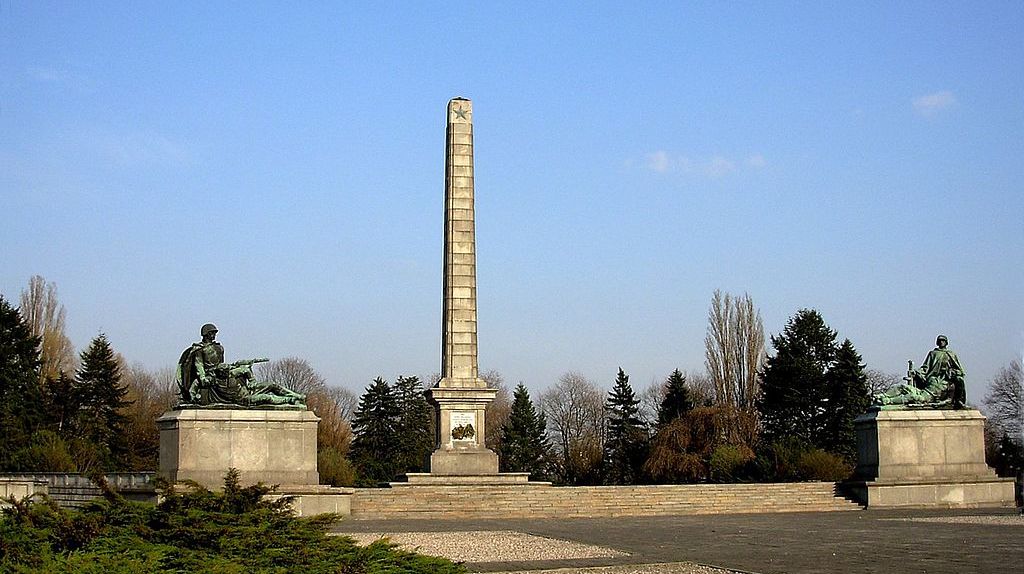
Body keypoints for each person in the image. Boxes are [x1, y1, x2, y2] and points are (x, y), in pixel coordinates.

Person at [176, 323, 305, 407]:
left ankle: (296, 396)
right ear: (206, 334)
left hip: (223, 374)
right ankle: (290, 400)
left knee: (269, 384)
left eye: (215, 333)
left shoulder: (219, 348)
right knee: (267, 396)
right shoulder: (199, 349)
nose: (214, 335)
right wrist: (203, 378)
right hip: (212, 376)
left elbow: (223, 364)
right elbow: (199, 366)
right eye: (212, 333)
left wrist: (236, 369)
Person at [875, 335, 966, 408]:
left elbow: (959, 371)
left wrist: (952, 373)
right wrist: (917, 372)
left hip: (929, 395)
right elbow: (925, 368)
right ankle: (882, 396)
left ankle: (888, 401)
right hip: (927, 386)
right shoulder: (933, 354)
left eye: (943, 340)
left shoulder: (951, 357)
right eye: (940, 340)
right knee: (902, 387)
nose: (941, 342)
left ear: (946, 342)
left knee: (914, 397)